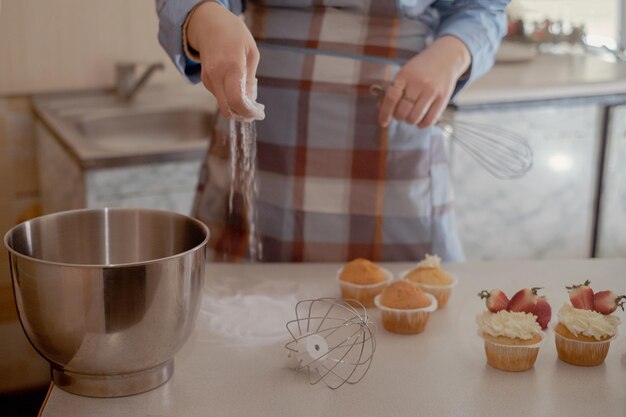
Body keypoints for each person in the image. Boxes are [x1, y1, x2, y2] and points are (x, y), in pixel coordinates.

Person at [157, 0, 509, 262]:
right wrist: (205, 16)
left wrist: (453, 53)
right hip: (261, 134)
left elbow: (482, 7)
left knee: (405, 317)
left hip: (393, 140)